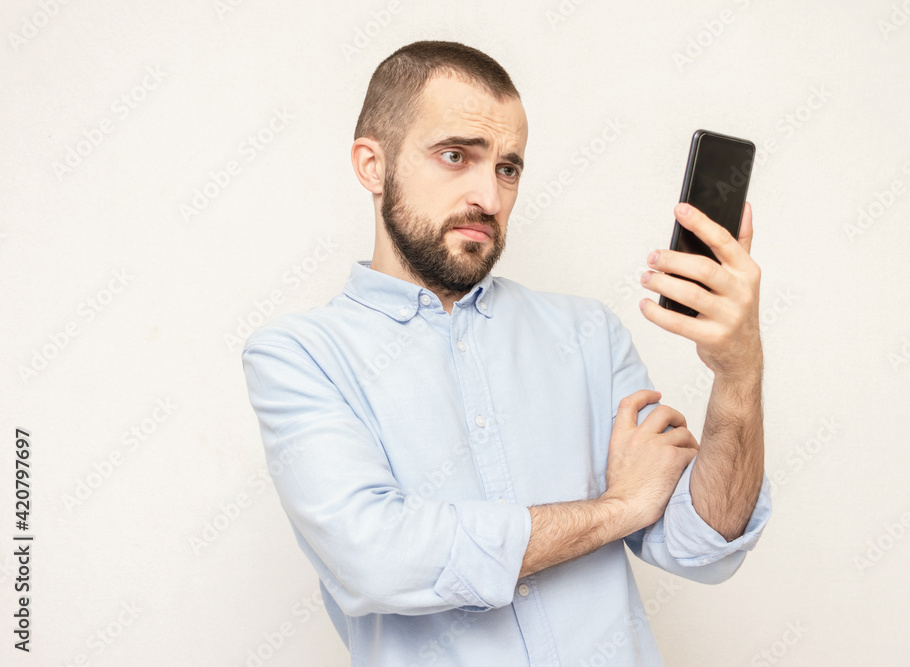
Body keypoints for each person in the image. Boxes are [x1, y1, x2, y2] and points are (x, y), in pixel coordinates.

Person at [241, 39, 771, 666]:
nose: (489, 199)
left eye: (507, 169)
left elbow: (698, 545)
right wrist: (616, 509)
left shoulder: (588, 335)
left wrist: (739, 374)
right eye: (455, 156)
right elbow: (377, 559)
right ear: (372, 166)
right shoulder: (300, 356)